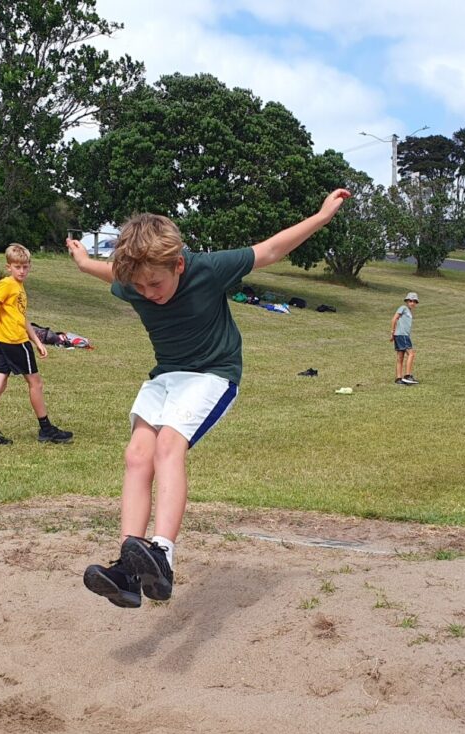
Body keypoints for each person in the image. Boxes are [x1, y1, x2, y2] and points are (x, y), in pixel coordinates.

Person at [65, 188, 351, 608]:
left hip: (212, 375)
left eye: (156, 283)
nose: (148, 292)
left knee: (167, 447)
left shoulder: (209, 269)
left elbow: (270, 250)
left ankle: (161, 553)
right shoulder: (134, 283)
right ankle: (128, 570)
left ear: (178, 264)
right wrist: (84, 261)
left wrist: (322, 217)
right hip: (165, 377)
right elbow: (114, 275)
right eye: (139, 285)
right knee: (136, 455)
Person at [0, 243, 73, 445]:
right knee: (36, 383)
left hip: (4, 341)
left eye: (25, 267)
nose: (22, 271)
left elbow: (21, 317)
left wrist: (37, 340)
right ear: (9, 267)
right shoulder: (7, 285)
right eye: (17, 267)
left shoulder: (18, 286)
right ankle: (46, 429)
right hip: (14, 343)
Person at [391, 292, 419, 385]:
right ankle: (408, 376)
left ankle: (398, 378)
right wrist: (392, 332)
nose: (412, 303)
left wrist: (394, 334)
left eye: (414, 301)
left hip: (400, 335)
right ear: (407, 301)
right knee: (411, 354)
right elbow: (394, 319)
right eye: (410, 301)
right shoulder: (403, 308)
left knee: (400, 357)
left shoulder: (409, 311)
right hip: (402, 335)